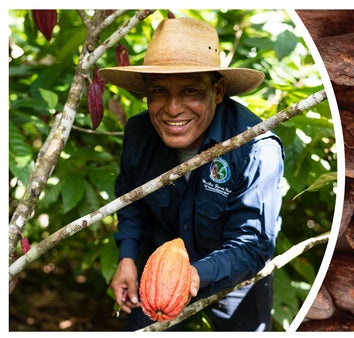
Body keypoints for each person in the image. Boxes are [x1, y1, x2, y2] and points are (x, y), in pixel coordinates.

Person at [98, 16, 284, 331]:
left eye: (190, 91)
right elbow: (131, 202)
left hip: (233, 283)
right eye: (159, 91)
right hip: (158, 278)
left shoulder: (255, 147)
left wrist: (192, 275)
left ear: (219, 89)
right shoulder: (139, 133)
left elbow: (253, 244)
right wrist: (127, 257)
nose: (172, 108)